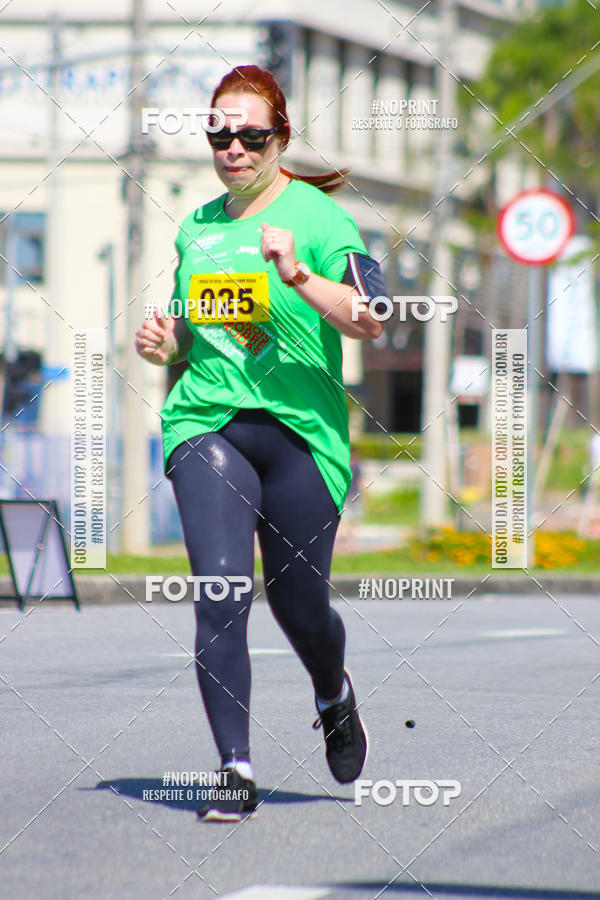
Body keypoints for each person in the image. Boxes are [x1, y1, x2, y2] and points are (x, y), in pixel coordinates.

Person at [135, 64, 388, 822]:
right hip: (207, 426)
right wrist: (165, 340)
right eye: (220, 132)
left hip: (301, 438)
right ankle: (234, 768)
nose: (233, 147)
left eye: (250, 134)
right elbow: (198, 331)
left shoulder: (318, 220)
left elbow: (373, 317)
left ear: (280, 136)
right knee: (221, 591)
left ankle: (333, 691)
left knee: (299, 602)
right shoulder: (197, 228)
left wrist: (298, 272)